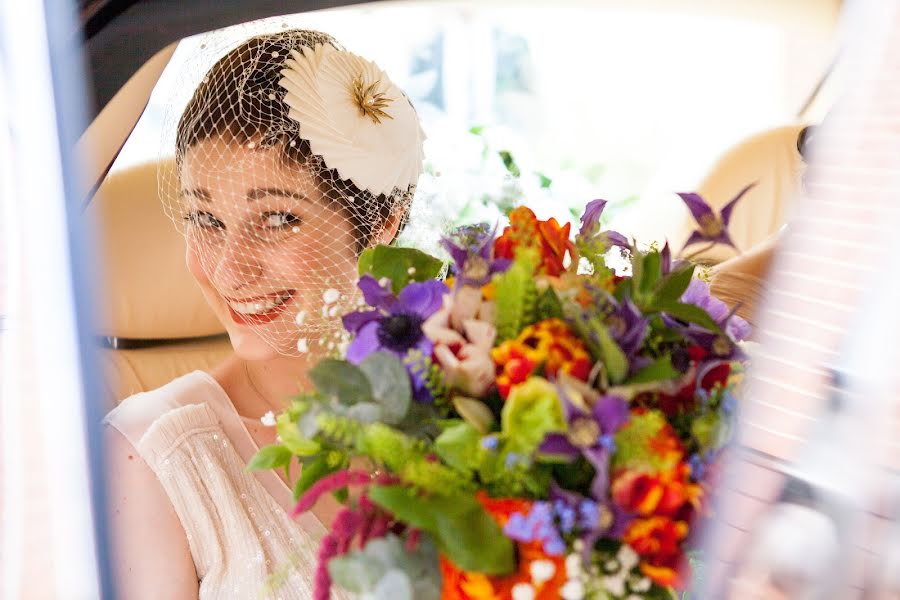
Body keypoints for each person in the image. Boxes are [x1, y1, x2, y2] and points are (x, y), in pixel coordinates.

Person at [103, 28, 425, 598]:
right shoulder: (152, 455)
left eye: (277, 219)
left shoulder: (476, 399)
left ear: (381, 223)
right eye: (205, 219)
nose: (230, 269)